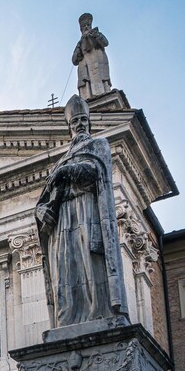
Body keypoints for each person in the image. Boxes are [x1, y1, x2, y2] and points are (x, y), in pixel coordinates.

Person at [35, 95, 127, 328]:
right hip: (62, 222)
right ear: (69, 127)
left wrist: (68, 171)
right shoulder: (60, 162)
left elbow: (96, 171)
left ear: (89, 121)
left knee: (90, 265)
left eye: (83, 120)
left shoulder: (98, 145)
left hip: (87, 211)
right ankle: (66, 321)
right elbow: (44, 199)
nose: (80, 124)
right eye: (75, 121)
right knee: (65, 271)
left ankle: (99, 313)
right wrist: (41, 212)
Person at [71, 13, 111, 98]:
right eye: (83, 26)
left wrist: (97, 35)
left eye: (88, 25)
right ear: (81, 29)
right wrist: (78, 50)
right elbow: (74, 60)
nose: (86, 27)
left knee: (102, 80)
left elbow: (105, 43)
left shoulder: (96, 34)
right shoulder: (80, 43)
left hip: (98, 62)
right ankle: (87, 97)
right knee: (85, 81)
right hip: (85, 66)